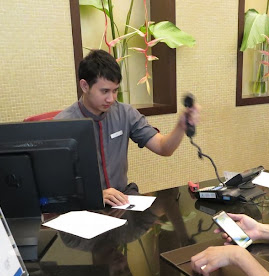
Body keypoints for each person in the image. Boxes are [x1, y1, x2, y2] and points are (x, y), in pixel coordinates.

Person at [56, 49, 200, 207]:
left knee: (161, 212)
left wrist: (181, 126)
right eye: (104, 91)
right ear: (84, 86)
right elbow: (56, 186)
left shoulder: (125, 113)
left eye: (115, 90)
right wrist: (94, 196)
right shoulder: (62, 124)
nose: (111, 99)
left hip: (121, 199)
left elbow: (163, 148)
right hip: (85, 205)